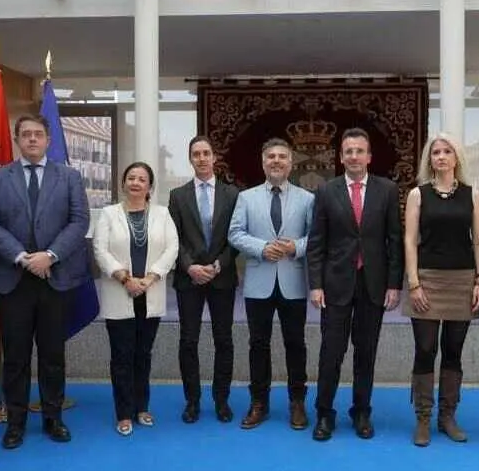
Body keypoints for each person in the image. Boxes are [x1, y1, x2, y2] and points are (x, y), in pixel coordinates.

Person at [0, 114, 90, 449]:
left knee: (53, 354)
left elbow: (79, 220)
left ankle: (53, 418)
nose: (31, 140)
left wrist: (50, 255)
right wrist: (22, 257)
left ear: (48, 140)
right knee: (15, 355)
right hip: (13, 280)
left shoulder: (69, 177)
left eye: (37, 134)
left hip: (56, 278)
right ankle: (15, 422)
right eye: (25, 135)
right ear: (17, 139)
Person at [307, 127, 403, 442]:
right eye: (348, 151)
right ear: (341, 157)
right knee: (331, 353)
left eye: (359, 151)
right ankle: (324, 413)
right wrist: (315, 284)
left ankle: (361, 411)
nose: (354, 156)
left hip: (373, 284)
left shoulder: (387, 190)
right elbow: (317, 242)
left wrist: (394, 283)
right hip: (335, 285)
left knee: (366, 352)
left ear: (369, 156)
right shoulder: (326, 191)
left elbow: (394, 240)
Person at [403, 134, 479, 447]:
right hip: (425, 278)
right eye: (435, 152)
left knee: (454, 350)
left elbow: (478, 240)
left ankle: (447, 416)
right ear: (429, 159)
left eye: (447, 151)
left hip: (462, 279)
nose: (441, 156)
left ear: (457, 157)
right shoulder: (417, 194)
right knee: (425, 348)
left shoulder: (472, 194)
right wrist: (413, 282)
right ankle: (423, 416)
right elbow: (410, 240)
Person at [228, 138, 315, 431]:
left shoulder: (307, 198)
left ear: (291, 162)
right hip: (258, 283)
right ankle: (259, 403)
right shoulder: (246, 198)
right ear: (262, 162)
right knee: (258, 345)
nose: (276, 161)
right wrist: (262, 247)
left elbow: (315, 237)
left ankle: (297, 402)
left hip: (293, 282)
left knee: (295, 344)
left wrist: (295, 247)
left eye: (282, 157)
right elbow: (235, 234)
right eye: (271, 157)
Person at [93, 162, 179, 436]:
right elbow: (100, 249)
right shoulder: (108, 214)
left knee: (143, 355)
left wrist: (150, 278)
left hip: (149, 292)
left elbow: (172, 248)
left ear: (149, 186)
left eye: (142, 179)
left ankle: (142, 407)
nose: (136, 183)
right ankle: (124, 413)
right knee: (121, 356)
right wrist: (125, 278)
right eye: (131, 177)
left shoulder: (163, 214)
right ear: (123, 183)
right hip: (120, 292)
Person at [168, 135, 240, 424]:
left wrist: (219, 264)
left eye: (206, 153)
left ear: (214, 157)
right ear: (190, 158)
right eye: (196, 153)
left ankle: (221, 400)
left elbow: (236, 236)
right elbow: (174, 239)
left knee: (224, 340)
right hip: (189, 280)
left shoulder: (233, 194)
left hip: (222, 277)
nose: (201, 158)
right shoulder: (178, 195)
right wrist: (190, 267)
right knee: (188, 341)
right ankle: (193, 401)